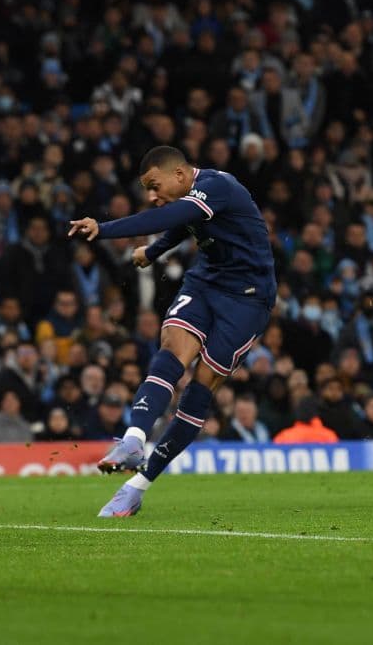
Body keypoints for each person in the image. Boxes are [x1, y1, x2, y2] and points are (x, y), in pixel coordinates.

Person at [69, 145, 275, 517]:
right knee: (172, 348)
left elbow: (174, 216)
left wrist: (103, 229)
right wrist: (153, 252)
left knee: (201, 385)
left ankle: (136, 487)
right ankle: (134, 439)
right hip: (206, 282)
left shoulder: (218, 187)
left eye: (154, 185)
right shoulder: (193, 197)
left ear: (179, 174)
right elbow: (184, 223)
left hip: (247, 298)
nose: (151, 196)